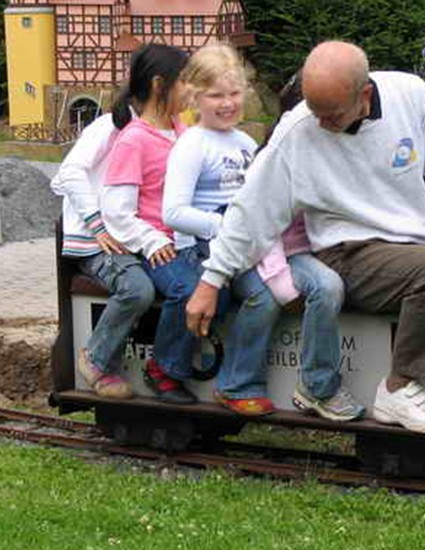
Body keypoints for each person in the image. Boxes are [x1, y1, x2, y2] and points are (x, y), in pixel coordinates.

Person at [186, 41, 425, 434]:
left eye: (331, 115)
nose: (321, 123)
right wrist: (212, 280)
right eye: (315, 111)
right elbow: (252, 210)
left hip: (413, 243)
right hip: (345, 251)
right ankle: (401, 387)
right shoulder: (298, 130)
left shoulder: (411, 96)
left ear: (364, 95)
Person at [162, 44, 363, 420]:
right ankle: (237, 384)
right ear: (194, 96)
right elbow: (173, 212)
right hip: (208, 247)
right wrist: (227, 225)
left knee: (324, 285)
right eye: (216, 95)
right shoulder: (192, 144)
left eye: (234, 93)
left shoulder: (245, 143)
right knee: (263, 296)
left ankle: (318, 385)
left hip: (258, 243)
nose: (227, 103)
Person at [99, 43, 195, 404]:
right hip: (158, 246)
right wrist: (152, 241)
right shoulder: (134, 141)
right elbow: (117, 210)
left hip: (189, 238)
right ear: (159, 85)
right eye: (184, 81)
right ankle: (164, 368)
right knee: (186, 289)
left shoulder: (183, 132)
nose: (191, 89)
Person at [50, 113, 153, 400]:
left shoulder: (174, 128)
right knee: (136, 288)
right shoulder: (111, 126)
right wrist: (97, 224)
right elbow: (70, 172)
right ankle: (97, 358)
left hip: (142, 238)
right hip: (98, 243)